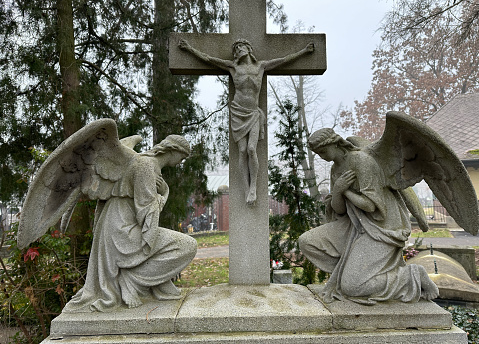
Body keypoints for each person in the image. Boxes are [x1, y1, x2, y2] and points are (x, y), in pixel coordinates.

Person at [298, 128, 439, 304]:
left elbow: (371, 205)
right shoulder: (336, 169)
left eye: (322, 151)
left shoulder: (361, 161)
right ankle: (353, 272)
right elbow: (339, 210)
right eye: (317, 153)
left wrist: (345, 191)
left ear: (334, 143)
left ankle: (411, 276)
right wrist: (337, 192)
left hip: (381, 226)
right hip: (353, 223)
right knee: (307, 242)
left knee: (353, 287)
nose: (321, 156)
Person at [63, 135, 197, 312]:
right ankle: (129, 282)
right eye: (183, 156)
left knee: (179, 245)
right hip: (122, 230)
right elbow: (147, 211)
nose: (181, 161)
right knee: (187, 246)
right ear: (173, 150)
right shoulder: (146, 166)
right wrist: (164, 193)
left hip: (120, 223)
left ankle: (147, 283)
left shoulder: (145, 163)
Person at [179, 38, 314, 205]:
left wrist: (304, 51)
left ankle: (253, 188)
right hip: (237, 111)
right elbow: (208, 59)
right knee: (242, 150)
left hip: (253, 113)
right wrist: (189, 48)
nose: (237, 51)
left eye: (240, 47)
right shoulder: (233, 67)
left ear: (249, 48)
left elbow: (284, 60)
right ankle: (245, 188)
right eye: (235, 49)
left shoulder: (261, 66)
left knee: (251, 149)